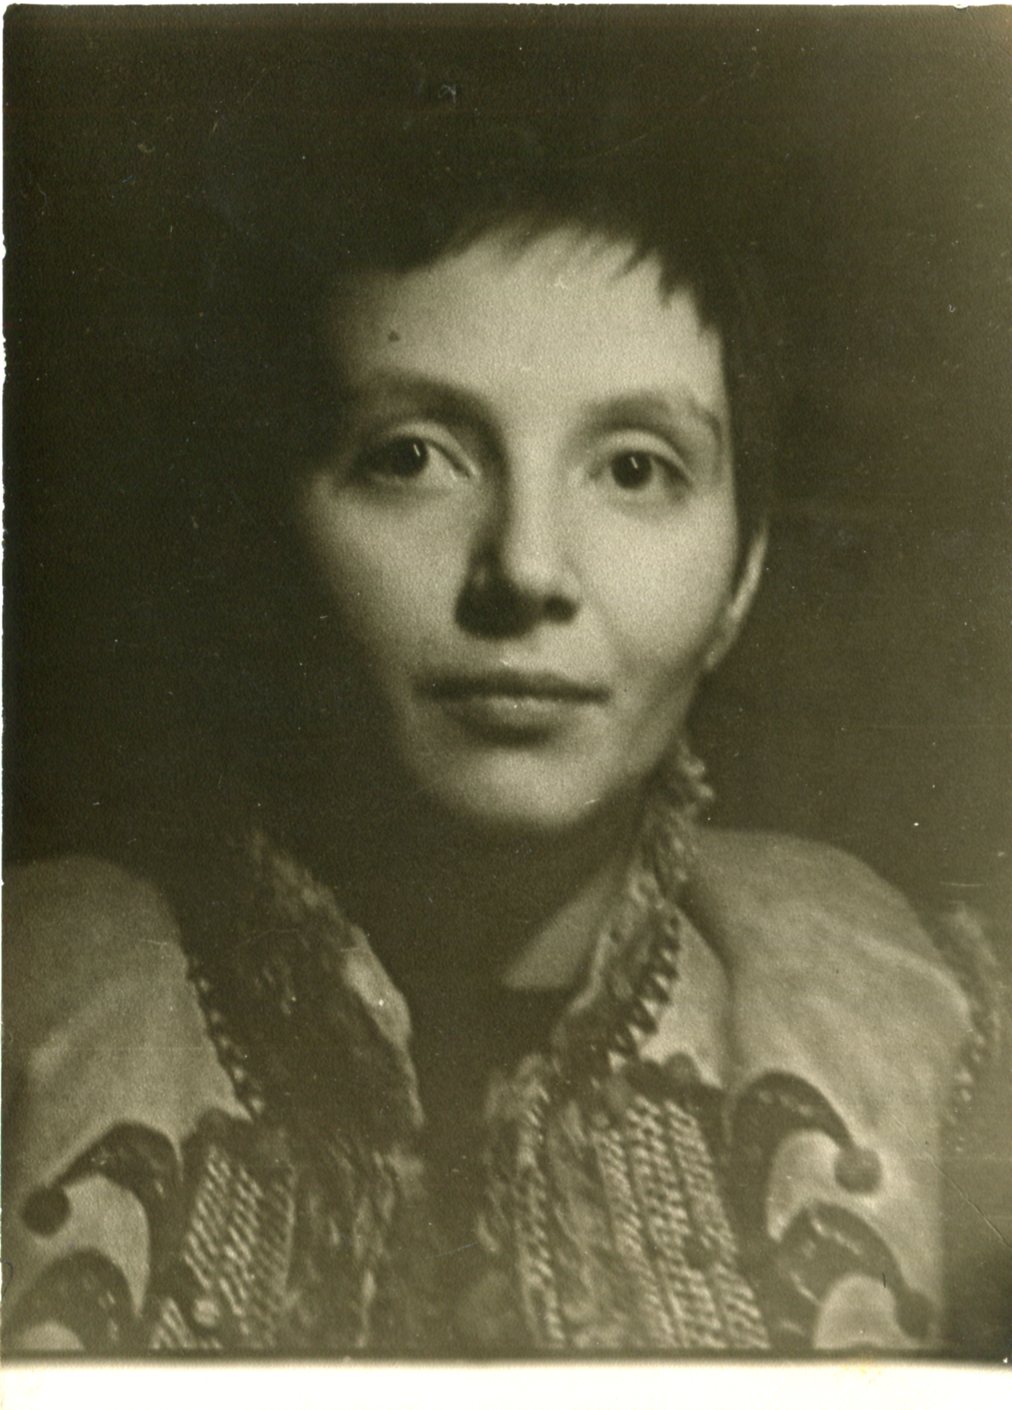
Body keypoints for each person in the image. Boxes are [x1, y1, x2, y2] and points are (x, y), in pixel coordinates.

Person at [3, 79, 1001, 1357]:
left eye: (634, 468)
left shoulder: (941, 1042)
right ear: (260, 539)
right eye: (411, 456)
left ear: (741, 579)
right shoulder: (37, 1014)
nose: (525, 570)